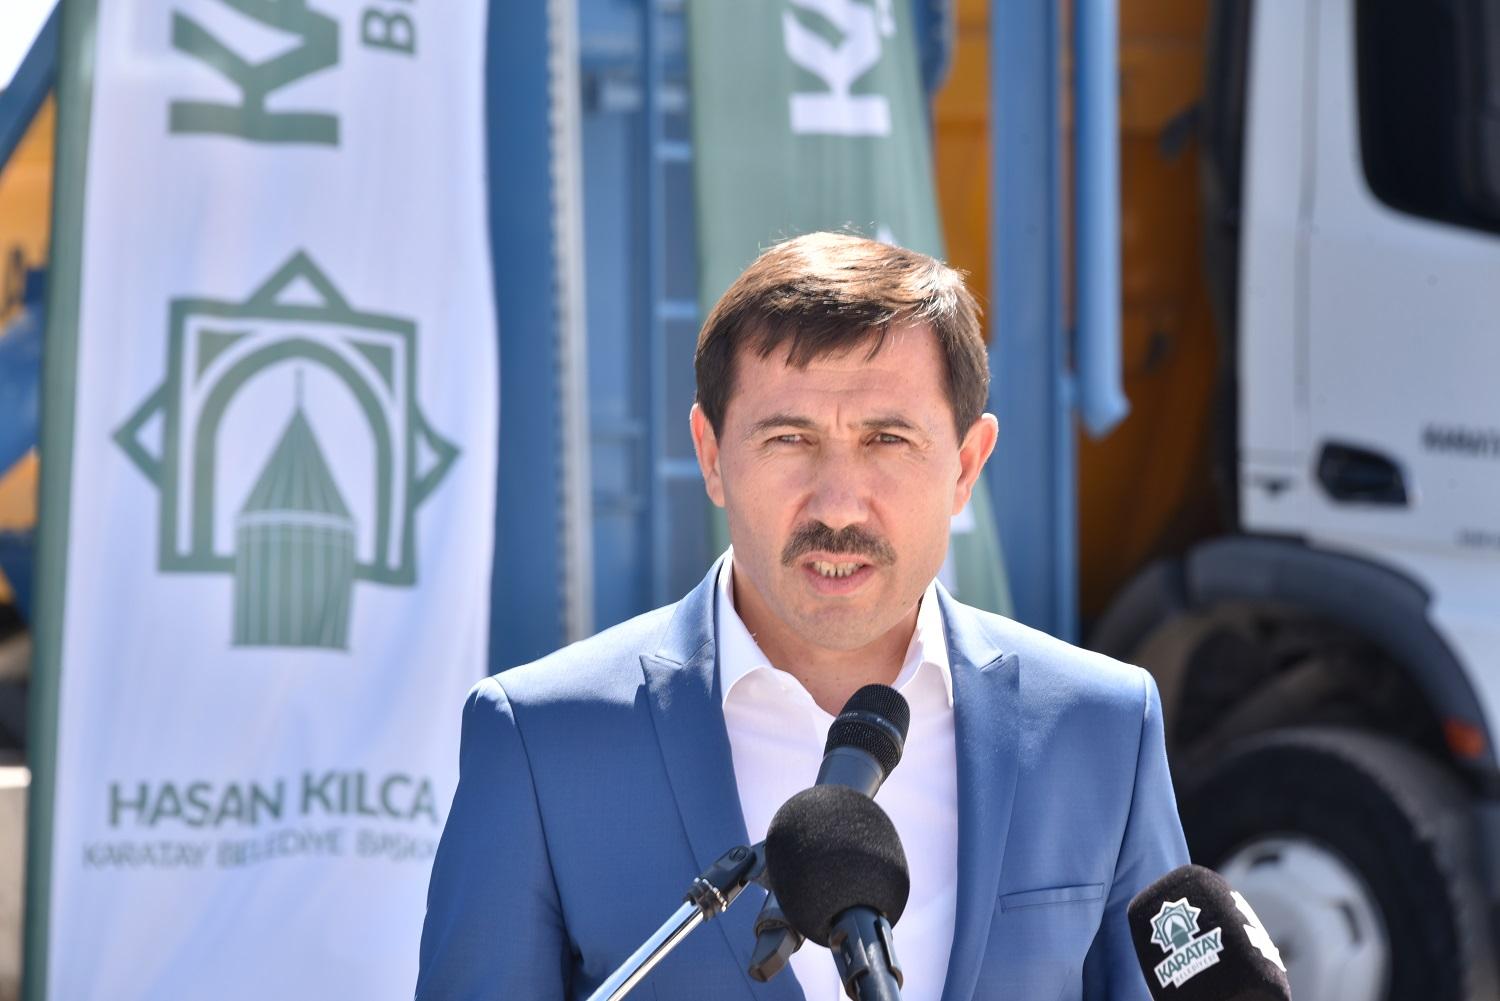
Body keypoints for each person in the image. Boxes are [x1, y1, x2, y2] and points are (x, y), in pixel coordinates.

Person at [416, 232, 1189, 1001]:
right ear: (711, 455)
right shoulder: (542, 741)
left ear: (965, 466)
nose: (839, 505)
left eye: (887, 439)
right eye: (790, 438)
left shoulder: (1103, 728)